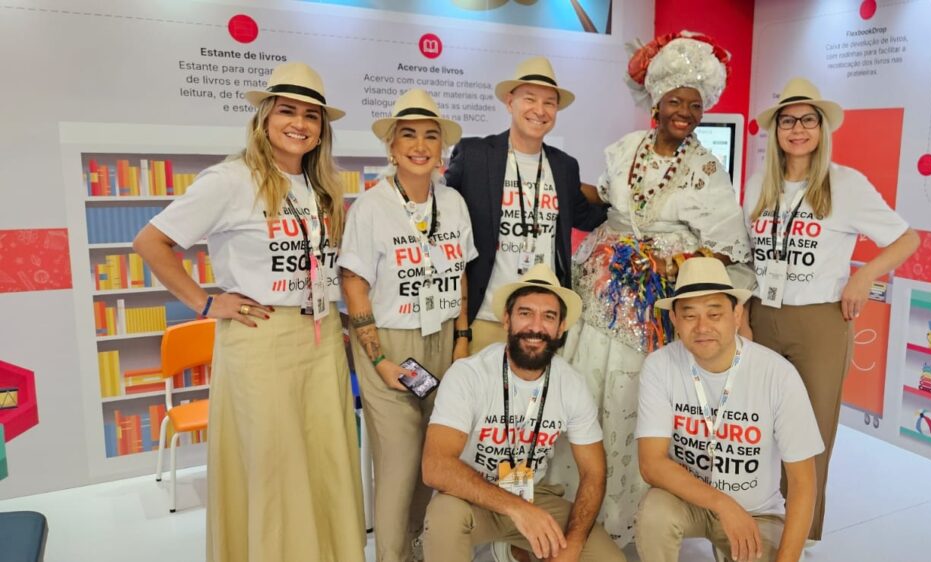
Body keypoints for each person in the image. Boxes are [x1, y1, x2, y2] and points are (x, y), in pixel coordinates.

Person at [133, 62, 364, 561]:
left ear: (323, 129)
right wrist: (206, 302)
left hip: (320, 341)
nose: (299, 123)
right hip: (261, 339)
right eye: (287, 110)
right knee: (273, 468)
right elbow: (151, 241)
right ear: (264, 117)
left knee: (325, 462)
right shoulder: (231, 180)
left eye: (312, 115)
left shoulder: (323, 187)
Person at [550, 31, 753, 546]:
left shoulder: (708, 170)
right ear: (656, 103)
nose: (684, 112)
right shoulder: (623, 151)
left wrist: (673, 263)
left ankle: (632, 518)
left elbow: (727, 246)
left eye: (694, 104)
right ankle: (577, 507)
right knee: (589, 385)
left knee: (637, 396)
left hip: (657, 307)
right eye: (674, 101)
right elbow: (600, 205)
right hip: (600, 295)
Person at [744, 77, 920, 541]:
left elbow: (907, 238)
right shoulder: (758, 186)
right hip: (762, 315)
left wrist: (863, 276)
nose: (797, 129)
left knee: (811, 431)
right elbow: (744, 256)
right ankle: (757, 522)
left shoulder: (845, 184)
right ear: (776, 130)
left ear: (821, 129)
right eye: (787, 121)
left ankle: (800, 535)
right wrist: (742, 314)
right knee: (756, 426)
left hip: (819, 321)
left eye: (807, 120)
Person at [340, 88, 477, 562]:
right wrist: (377, 360)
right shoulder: (370, 207)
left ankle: (423, 553)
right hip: (391, 344)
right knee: (398, 467)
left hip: (443, 337)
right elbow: (354, 285)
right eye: (409, 135)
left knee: (435, 463)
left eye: (430, 136)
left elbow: (460, 275)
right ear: (392, 147)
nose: (420, 145)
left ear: (442, 148)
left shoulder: (454, 204)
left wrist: (461, 342)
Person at [420, 264, 625, 562]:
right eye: (525, 313)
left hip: (533, 494)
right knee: (442, 515)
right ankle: (513, 540)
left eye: (548, 316)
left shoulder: (571, 384)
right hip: (471, 496)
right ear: (507, 320)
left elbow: (594, 473)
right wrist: (516, 509)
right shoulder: (468, 375)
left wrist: (574, 543)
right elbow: (435, 466)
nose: (535, 326)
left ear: (561, 327)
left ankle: (514, 547)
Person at [635, 257, 823, 562]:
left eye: (714, 313)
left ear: (737, 315)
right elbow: (651, 464)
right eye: (690, 315)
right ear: (675, 321)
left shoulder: (777, 374)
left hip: (757, 513)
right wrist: (723, 504)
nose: (702, 327)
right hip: (690, 501)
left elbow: (803, 484)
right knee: (654, 513)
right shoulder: (660, 366)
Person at [444, 56, 607, 354]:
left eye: (549, 103)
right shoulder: (475, 155)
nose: (540, 111)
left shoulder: (563, 165)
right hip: (486, 316)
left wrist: (632, 201)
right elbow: (442, 210)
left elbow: (586, 216)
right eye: (529, 99)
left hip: (541, 320)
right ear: (510, 102)